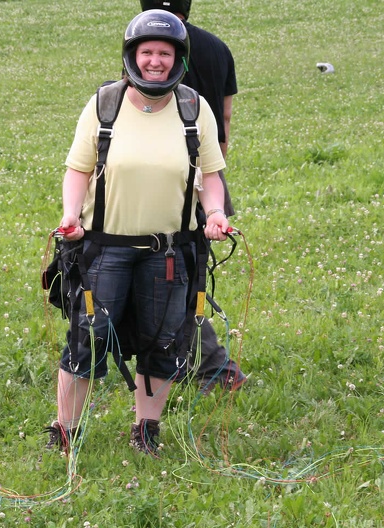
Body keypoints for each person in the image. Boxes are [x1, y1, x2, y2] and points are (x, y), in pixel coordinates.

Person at [44, 9, 229, 456]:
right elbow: (77, 169)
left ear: (178, 58)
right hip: (103, 249)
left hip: (170, 252)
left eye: (164, 53)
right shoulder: (104, 103)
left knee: (162, 342)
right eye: (146, 52)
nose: (155, 61)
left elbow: (212, 174)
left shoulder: (193, 107)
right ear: (132, 55)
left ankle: (146, 430)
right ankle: (65, 431)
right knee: (87, 338)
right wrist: (72, 214)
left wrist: (216, 212)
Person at [139, 0, 245, 392]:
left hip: (170, 181)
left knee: (175, 282)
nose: (155, 60)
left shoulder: (146, 47)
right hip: (208, 169)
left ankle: (211, 366)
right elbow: (227, 116)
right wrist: (214, 169)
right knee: (187, 278)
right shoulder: (217, 47)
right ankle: (190, 360)